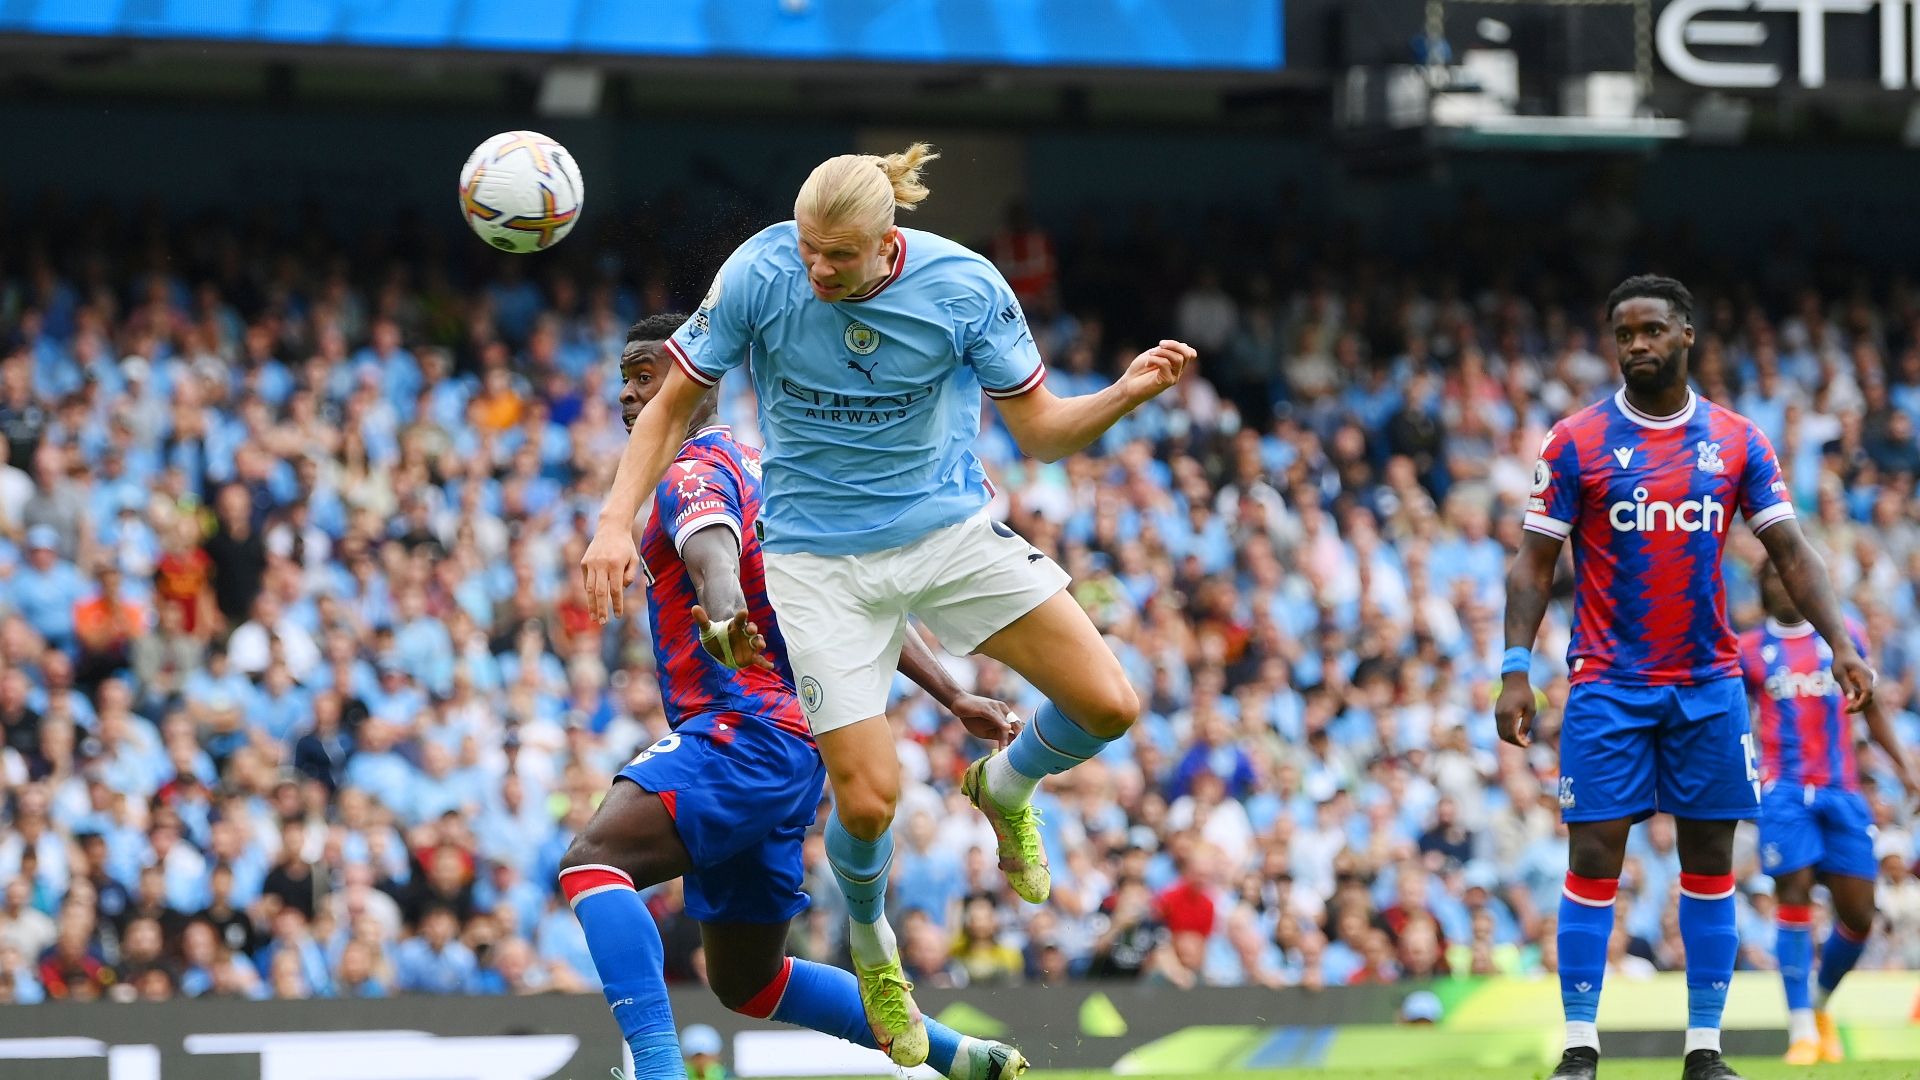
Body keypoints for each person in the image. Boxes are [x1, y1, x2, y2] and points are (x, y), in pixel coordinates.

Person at [580, 144, 1192, 1065]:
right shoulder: (762, 270)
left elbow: (1042, 432)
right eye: (807, 247)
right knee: (867, 809)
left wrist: (1123, 393)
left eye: (837, 255)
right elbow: (673, 405)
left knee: (1109, 704)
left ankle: (1007, 784)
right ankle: (874, 950)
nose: (816, 268)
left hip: (945, 535)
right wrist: (612, 523)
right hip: (819, 563)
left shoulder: (966, 287)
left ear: (886, 241)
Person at [561, 317, 1030, 1080]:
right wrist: (953, 694)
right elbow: (855, 602)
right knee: (749, 981)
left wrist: (723, 615)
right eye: (625, 378)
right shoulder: (772, 472)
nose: (627, 393)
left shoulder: (689, 473)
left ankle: (658, 1071)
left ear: (698, 380)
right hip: (795, 746)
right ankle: (961, 1057)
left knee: (593, 864)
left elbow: (712, 559)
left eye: (646, 375)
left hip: (742, 733)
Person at [1497, 275, 1873, 1080]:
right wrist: (1515, 669)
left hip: (1708, 684)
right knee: (1593, 854)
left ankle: (1704, 1050)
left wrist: (1839, 642)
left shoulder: (1737, 440)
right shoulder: (1575, 441)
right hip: (1608, 683)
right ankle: (1579, 1046)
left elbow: (1791, 551)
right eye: (1624, 334)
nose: (1637, 345)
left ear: (1686, 335)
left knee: (1709, 860)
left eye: (1652, 330)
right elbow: (1532, 564)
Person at [1739, 558, 1915, 1065]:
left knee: (1859, 915)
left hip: (1842, 791)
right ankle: (1799, 1030)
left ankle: (1817, 1005)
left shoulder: (1844, 637)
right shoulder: (1748, 649)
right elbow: (1732, 719)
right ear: (1763, 589)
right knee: (1793, 894)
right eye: (1772, 578)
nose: (1783, 585)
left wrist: (1905, 768)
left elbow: (1871, 704)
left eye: (1789, 575)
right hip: (1784, 792)